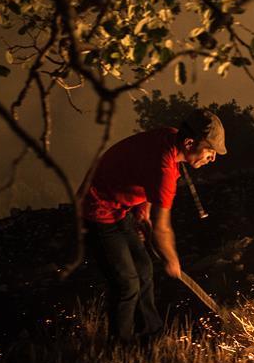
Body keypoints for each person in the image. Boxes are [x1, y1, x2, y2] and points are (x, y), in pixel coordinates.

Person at [78, 109, 227, 344]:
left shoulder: (170, 138)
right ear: (189, 142)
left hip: (120, 209)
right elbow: (162, 228)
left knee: (144, 269)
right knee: (127, 283)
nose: (213, 157)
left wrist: (142, 212)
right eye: (210, 150)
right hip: (96, 211)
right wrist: (171, 259)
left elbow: (143, 174)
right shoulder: (165, 167)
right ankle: (121, 346)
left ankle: (150, 335)